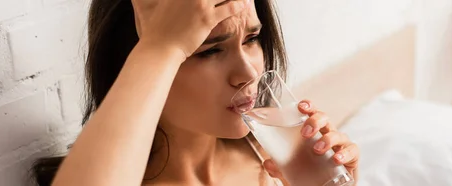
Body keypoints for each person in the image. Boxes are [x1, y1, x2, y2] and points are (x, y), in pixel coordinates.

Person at [31, 0, 359, 185]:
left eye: (251, 39)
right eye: (209, 51)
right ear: (134, 59)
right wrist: (160, 46)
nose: (248, 73)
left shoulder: (281, 165)